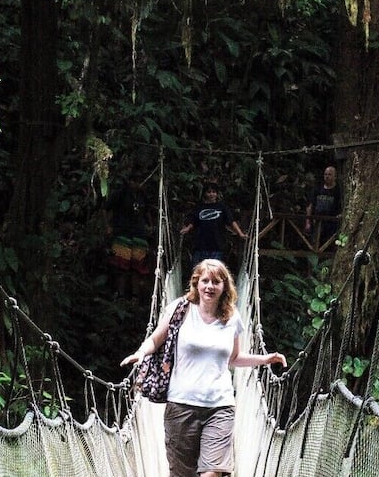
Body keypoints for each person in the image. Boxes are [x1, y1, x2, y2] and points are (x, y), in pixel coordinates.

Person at [120, 259, 286, 477]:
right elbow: (155, 340)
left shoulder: (232, 317)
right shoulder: (180, 309)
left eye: (216, 282)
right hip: (181, 405)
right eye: (205, 281)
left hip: (220, 405)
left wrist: (265, 359)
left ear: (224, 286)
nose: (210, 286)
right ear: (196, 283)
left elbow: (234, 358)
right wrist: (141, 353)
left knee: (213, 472)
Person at [104, 173, 153, 300]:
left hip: (139, 235)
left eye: (140, 181)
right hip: (122, 233)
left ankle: (135, 296)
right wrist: (108, 226)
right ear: (130, 181)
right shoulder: (120, 194)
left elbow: (147, 211)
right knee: (121, 265)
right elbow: (106, 209)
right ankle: (120, 295)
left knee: (138, 267)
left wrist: (150, 226)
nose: (138, 184)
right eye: (135, 181)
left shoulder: (142, 196)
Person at [180, 182, 248, 270]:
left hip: (217, 245)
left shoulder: (222, 207)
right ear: (205, 194)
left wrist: (240, 233)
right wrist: (187, 228)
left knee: (214, 271)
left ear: (217, 194)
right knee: (198, 271)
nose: (212, 194)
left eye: (214, 192)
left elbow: (231, 221)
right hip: (200, 245)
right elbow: (194, 221)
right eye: (209, 192)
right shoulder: (200, 207)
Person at [303, 165, 342, 247]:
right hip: (317, 222)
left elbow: (340, 206)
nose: (327, 176)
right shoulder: (317, 189)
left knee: (328, 245)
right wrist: (308, 222)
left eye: (329, 174)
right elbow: (310, 205)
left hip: (331, 224)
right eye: (325, 174)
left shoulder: (338, 191)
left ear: (335, 177)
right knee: (315, 244)